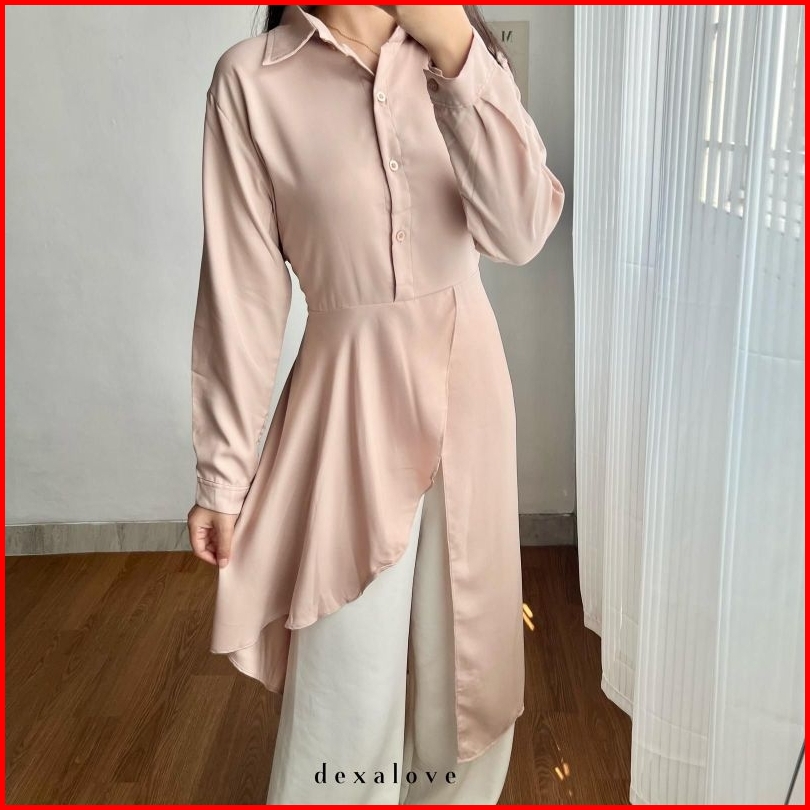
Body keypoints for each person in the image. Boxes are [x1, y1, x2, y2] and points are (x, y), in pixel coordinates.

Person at [186, 4, 565, 804]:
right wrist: (223, 477)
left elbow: (522, 231)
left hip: (469, 384)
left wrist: (454, 44)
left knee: (468, 652)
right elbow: (241, 296)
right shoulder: (252, 80)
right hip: (346, 400)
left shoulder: (460, 55)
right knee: (344, 666)